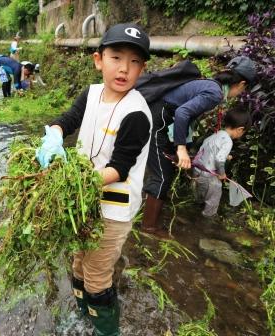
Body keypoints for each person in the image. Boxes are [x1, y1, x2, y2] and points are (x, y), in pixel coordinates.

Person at [35, 23, 152, 336]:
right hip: (85, 202)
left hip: (114, 208)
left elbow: (120, 168)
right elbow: (68, 119)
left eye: (134, 61)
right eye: (116, 57)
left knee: (97, 273)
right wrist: (55, 135)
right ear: (99, 60)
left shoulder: (136, 113)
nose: (124, 68)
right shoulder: (91, 94)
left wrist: (73, 182)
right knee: (77, 261)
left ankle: (106, 329)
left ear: (142, 68)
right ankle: (82, 314)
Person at [141, 55, 257, 236]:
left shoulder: (211, 86)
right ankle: (148, 228)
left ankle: (152, 213)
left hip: (159, 121)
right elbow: (182, 112)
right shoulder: (215, 93)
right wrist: (181, 148)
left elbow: (186, 116)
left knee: (166, 171)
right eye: (244, 89)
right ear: (242, 83)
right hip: (157, 122)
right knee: (162, 175)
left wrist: (184, 148)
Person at [194, 108, 251, 217]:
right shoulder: (228, 141)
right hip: (209, 176)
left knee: (200, 198)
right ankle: (207, 221)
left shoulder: (217, 134)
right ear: (240, 129)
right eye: (244, 132)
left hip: (197, 171)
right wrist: (222, 174)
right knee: (213, 199)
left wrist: (226, 157)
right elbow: (219, 159)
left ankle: (195, 214)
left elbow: (208, 150)